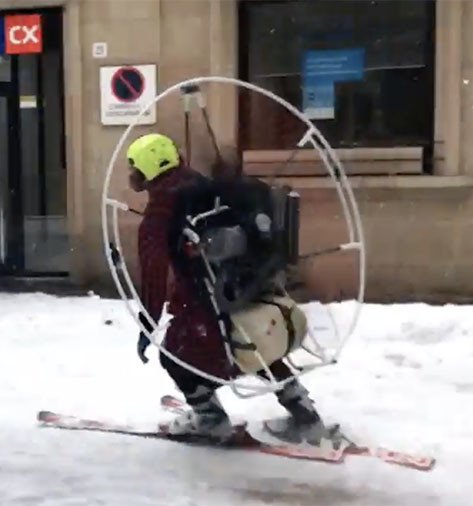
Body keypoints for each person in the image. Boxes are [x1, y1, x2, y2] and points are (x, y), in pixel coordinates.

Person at [126, 133, 338, 445]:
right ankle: (305, 413)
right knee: (254, 343)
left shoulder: (159, 215)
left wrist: (148, 324)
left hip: (203, 302)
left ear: (146, 169)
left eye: (133, 167)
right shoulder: (204, 187)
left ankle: (210, 419)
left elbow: (154, 277)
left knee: (175, 357)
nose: (131, 175)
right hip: (243, 287)